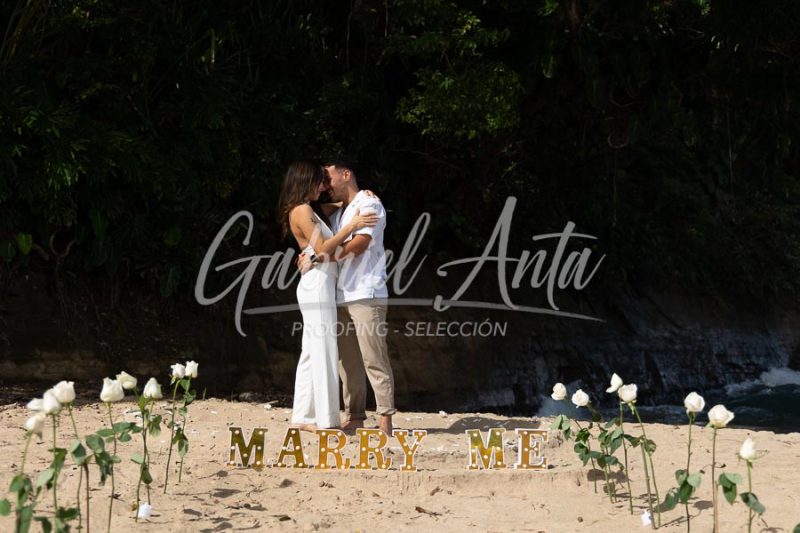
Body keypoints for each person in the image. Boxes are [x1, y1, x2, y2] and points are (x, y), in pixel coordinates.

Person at [278, 160, 377, 431]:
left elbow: (343, 204)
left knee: (312, 349)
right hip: (318, 284)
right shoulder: (301, 211)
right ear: (304, 182)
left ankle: (302, 416)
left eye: (324, 182)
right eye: (317, 182)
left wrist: (364, 195)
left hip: (321, 281)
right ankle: (325, 419)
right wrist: (350, 227)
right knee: (322, 349)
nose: (322, 187)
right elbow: (322, 247)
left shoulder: (311, 209)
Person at [325, 157, 396, 435]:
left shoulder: (369, 203)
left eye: (328, 179)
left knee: (373, 357)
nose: (325, 186)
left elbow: (361, 244)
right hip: (342, 293)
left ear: (346, 175)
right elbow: (309, 206)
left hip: (367, 291)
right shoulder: (338, 213)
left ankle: (385, 418)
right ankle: (354, 415)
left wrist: (329, 254)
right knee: (347, 361)